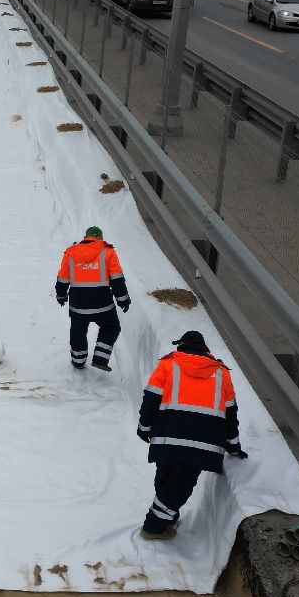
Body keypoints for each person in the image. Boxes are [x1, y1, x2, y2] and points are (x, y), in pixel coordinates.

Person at [135, 331, 247, 540]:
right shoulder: (222, 373)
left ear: (182, 346)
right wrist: (233, 444)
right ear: (206, 351)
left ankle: (160, 521)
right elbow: (230, 412)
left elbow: (150, 399)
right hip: (201, 444)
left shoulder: (168, 365)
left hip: (167, 438)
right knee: (179, 485)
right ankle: (155, 527)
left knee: (167, 478)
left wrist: (144, 427)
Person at [55, 225, 131, 371]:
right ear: (100, 238)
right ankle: (100, 359)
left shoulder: (70, 253)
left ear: (86, 237)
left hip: (78, 304)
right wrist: (123, 299)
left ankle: (78, 360)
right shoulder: (108, 252)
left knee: (78, 331)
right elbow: (117, 279)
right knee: (111, 327)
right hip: (103, 303)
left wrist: (61, 295)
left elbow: (63, 278)